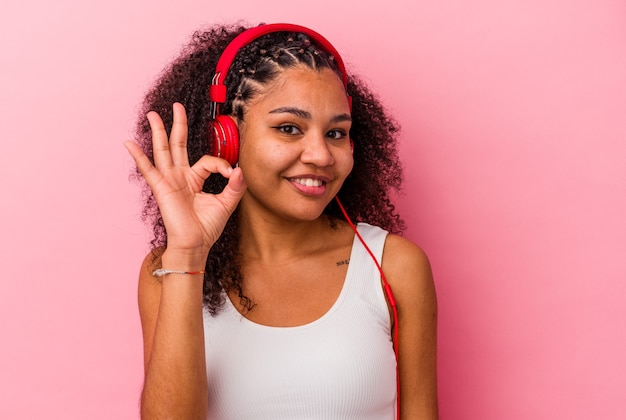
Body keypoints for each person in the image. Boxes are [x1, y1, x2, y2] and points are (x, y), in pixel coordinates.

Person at [125, 22, 438, 419]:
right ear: (227, 138)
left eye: (337, 134)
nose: (321, 156)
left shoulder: (393, 266)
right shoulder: (167, 270)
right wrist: (188, 254)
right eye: (289, 128)